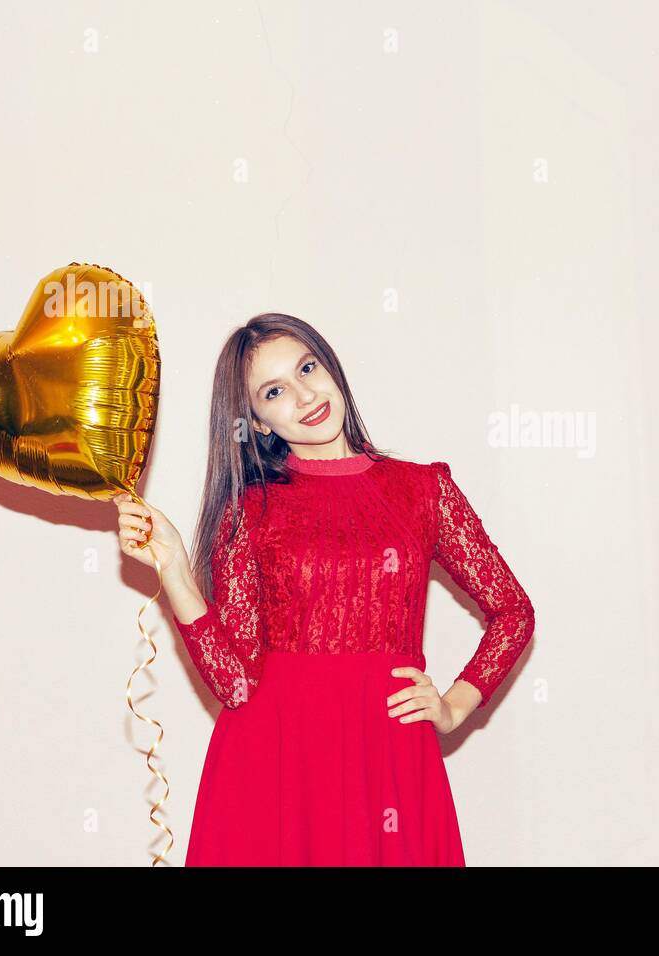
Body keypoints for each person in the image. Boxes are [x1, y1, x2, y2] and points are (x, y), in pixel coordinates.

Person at [112, 313, 536, 865]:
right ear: (257, 421)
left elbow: (514, 611)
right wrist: (174, 570)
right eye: (274, 391)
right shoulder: (249, 510)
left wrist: (455, 705)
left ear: (330, 366)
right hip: (276, 766)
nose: (305, 395)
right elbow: (234, 684)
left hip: (388, 758)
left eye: (307, 368)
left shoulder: (422, 491)